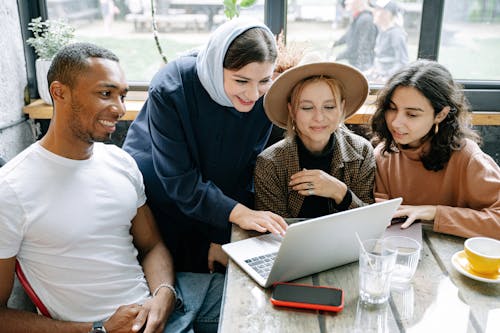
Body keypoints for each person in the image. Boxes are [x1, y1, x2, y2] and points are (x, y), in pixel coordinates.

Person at [0, 43, 223, 333]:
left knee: (262, 296)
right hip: (104, 327)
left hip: (163, 301)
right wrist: (98, 329)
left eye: (122, 96)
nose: (119, 108)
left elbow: (152, 245)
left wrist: (164, 292)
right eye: (105, 94)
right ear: (59, 93)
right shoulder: (11, 189)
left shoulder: (120, 162)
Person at [122, 18, 288, 274]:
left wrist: (224, 235)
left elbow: (246, 167)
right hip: (161, 185)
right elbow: (179, 180)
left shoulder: (262, 98)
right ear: (215, 65)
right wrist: (235, 213)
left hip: (214, 190)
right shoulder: (170, 88)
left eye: (263, 81)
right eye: (241, 81)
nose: (253, 95)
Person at [371, 60, 500, 239]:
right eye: (392, 109)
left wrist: (435, 213)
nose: (395, 122)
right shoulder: (382, 155)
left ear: (440, 114)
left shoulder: (468, 158)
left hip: (460, 257)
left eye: (412, 114)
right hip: (404, 255)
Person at [255, 54, 376, 218]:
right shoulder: (270, 164)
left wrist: (339, 192)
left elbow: (369, 220)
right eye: (306, 108)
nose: (319, 117)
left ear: (341, 107)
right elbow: (274, 232)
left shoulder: (362, 152)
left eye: (329, 106)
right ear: (292, 110)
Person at [366, 0, 409, 83]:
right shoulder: (383, 31)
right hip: (378, 77)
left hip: (387, 81)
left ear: (387, 14)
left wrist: (386, 77)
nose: (373, 12)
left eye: (377, 9)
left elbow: (402, 63)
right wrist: (373, 70)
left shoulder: (396, 34)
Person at [330, 0, 378, 71]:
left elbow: (356, 49)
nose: (345, 2)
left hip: (363, 66)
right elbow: (349, 35)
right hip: (357, 65)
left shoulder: (366, 20)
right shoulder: (359, 17)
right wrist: (335, 43)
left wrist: (336, 57)